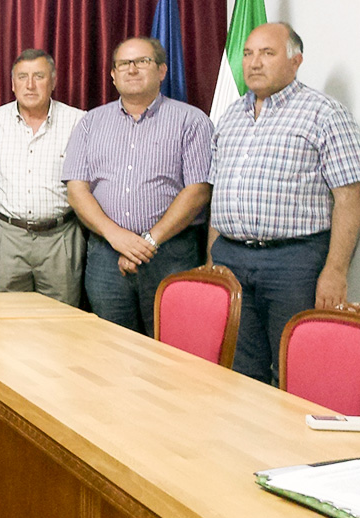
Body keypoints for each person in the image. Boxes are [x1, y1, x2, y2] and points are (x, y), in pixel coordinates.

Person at [209, 22, 360, 385]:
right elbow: (220, 195)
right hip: (232, 256)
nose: (254, 63)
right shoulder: (230, 117)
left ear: (296, 61)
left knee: (296, 368)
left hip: (294, 263)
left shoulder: (324, 114)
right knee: (240, 370)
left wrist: (336, 271)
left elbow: (349, 199)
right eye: (248, 53)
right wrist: (213, 255)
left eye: (267, 53)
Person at [62, 37, 213, 336]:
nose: (132, 69)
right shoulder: (91, 122)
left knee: (172, 348)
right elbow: (77, 189)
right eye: (123, 64)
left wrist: (148, 242)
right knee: (112, 347)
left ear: (161, 71)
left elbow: (198, 190)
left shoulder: (192, 121)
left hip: (171, 253)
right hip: (107, 256)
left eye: (142, 61)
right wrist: (115, 236)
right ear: (113, 75)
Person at [0, 49, 86, 305]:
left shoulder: (79, 122)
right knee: (4, 321)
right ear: (12, 84)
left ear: (53, 81)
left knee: (62, 324)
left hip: (60, 237)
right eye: (22, 77)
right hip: (6, 237)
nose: (30, 85)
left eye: (39, 76)